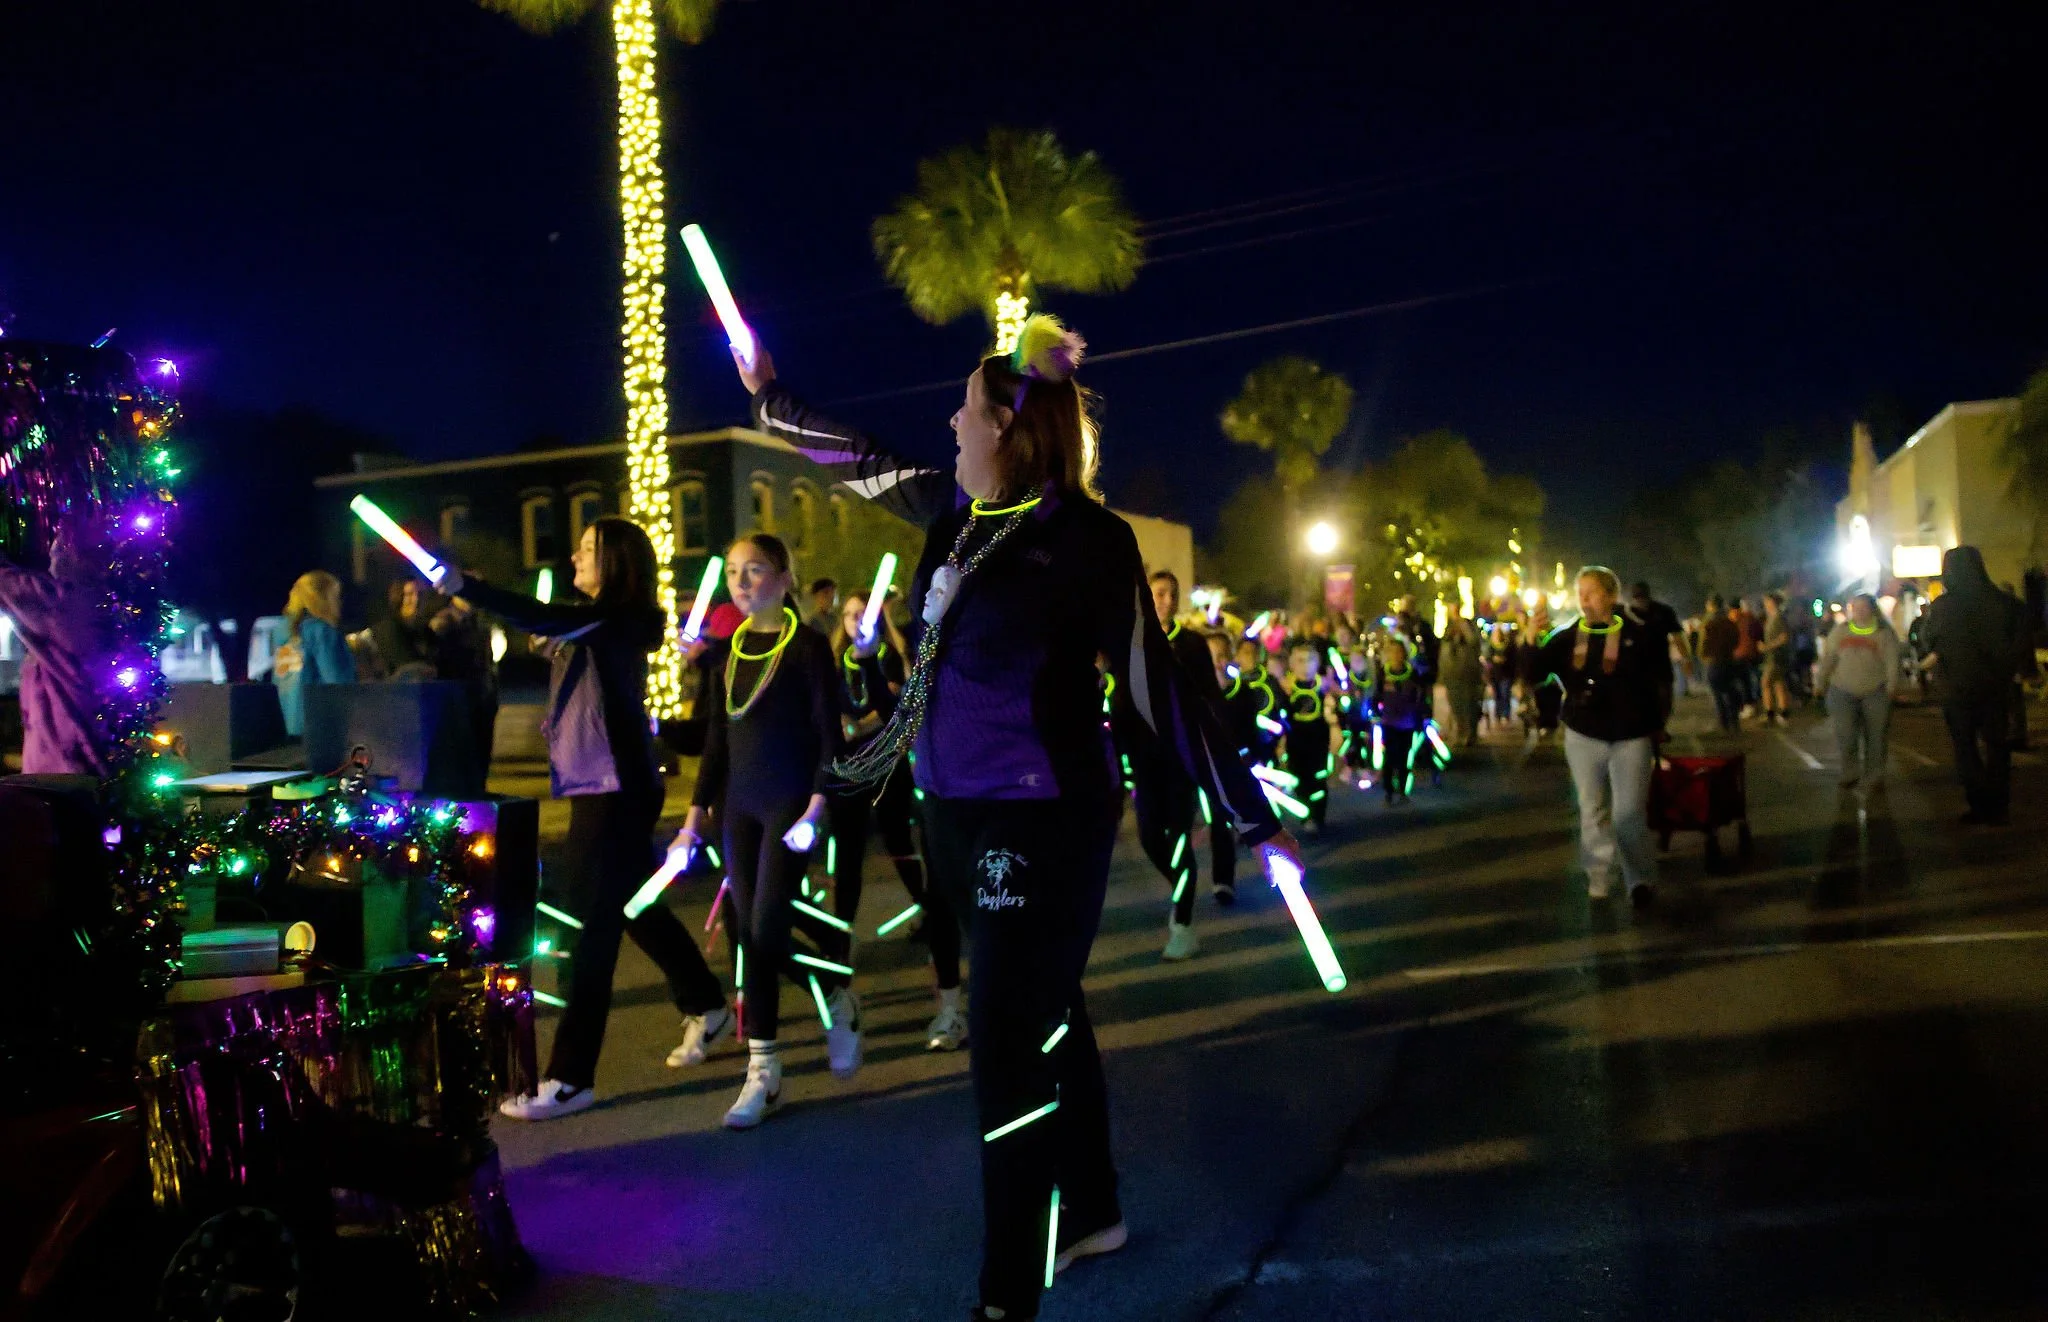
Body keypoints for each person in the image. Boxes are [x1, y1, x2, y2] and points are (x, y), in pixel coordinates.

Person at [742, 314, 1294, 1322]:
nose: (949, 418)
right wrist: (771, 397)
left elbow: (1156, 686)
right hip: (951, 811)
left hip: (1041, 821)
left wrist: (1253, 820)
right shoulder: (953, 513)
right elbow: (856, 459)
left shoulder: (1087, 540)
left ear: (1007, 423)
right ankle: (1094, 1207)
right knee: (1048, 1004)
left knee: (1003, 1037)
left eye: (966, 403)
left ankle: (1006, 1291)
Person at [449, 520, 731, 1120]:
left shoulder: (621, 618)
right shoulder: (596, 622)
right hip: (597, 785)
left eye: (586, 548)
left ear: (615, 561)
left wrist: (471, 589)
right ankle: (706, 1002)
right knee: (629, 903)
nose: (574, 553)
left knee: (589, 928)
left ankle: (572, 1076)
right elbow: (555, 632)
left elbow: (546, 619)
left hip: (617, 788)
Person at [673, 534, 855, 1127]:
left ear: (784, 577)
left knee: (767, 931)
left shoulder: (806, 649)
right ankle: (786, 1045)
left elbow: (832, 737)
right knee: (752, 938)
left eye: (755, 571)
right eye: (732, 573)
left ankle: (780, 1052)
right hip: (737, 812)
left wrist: (816, 808)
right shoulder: (726, 654)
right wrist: (691, 824)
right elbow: (716, 746)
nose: (742, 582)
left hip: (790, 807)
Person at [828, 587, 967, 1050]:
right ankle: (950, 1007)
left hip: (970, 787)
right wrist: (866, 663)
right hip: (919, 788)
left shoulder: (909, 652)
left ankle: (1013, 999)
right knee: (939, 897)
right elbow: (896, 713)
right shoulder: (899, 656)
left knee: (980, 899)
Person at [1531, 567, 1665, 905]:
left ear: (1610, 595)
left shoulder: (1638, 633)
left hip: (1630, 735)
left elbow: (1658, 681)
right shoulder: (1568, 636)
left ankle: (1640, 879)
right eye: (1580, 593)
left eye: (1590, 592)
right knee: (1592, 809)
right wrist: (1530, 639)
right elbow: (1533, 673)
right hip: (1583, 734)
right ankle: (1599, 878)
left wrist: (1657, 723)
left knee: (1629, 814)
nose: (1583, 599)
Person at [1919, 546, 2030, 825]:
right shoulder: (2006, 604)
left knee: (1965, 747)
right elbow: (2022, 640)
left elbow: (1927, 641)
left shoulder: (1944, 607)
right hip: (1996, 685)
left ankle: (1978, 802)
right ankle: (1998, 803)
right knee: (1997, 746)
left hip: (1958, 686)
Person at [0, 520, 118, 776]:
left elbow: (10, 587)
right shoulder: (105, 607)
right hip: (76, 773)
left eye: (62, 544)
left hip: (64, 779)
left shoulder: (66, 605)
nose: (53, 551)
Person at [1814, 593, 1899, 790]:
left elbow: (1892, 662)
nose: (1859, 611)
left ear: (1872, 609)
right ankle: (1849, 772)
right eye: (1856, 608)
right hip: (1842, 690)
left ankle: (1875, 775)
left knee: (1876, 736)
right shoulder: (1841, 631)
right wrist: (1820, 682)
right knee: (1846, 734)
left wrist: (1892, 685)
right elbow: (1828, 658)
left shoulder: (1883, 633)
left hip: (1875, 691)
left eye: (1864, 607)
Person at [273, 570, 356, 739]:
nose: (339, 603)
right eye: (336, 597)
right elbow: (338, 685)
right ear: (321, 599)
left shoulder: (281, 632)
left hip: (285, 730)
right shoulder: (322, 632)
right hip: (319, 732)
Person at [1366, 635, 1430, 804]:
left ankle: (1402, 790)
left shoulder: (1412, 674)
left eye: (1399, 652)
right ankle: (1388, 791)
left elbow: (1421, 696)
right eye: (1392, 652)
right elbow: (1376, 695)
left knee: (1404, 758)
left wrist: (1422, 715)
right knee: (1389, 758)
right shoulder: (1383, 673)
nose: (1395, 655)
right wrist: (1374, 711)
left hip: (1407, 723)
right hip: (1389, 722)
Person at [1281, 640, 1333, 830]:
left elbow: (1338, 707)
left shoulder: (1324, 686)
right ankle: (1307, 813)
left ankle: (1317, 815)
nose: (1305, 665)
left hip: (1318, 740)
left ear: (1317, 662)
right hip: (1296, 741)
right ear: (1292, 664)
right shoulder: (1286, 687)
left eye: (1310, 660)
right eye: (1300, 660)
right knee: (1299, 779)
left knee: (1318, 778)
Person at [1628, 582, 1683, 722]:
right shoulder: (1663, 611)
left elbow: (1677, 637)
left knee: (1662, 701)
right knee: (1655, 702)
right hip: (1641, 668)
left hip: (1654, 667)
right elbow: (1678, 637)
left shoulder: (1628, 613)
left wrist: (1685, 659)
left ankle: (1657, 728)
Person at [1437, 602, 1483, 747]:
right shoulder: (1448, 628)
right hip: (1451, 673)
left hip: (1467, 672)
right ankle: (1461, 731)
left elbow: (1473, 641)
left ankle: (1470, 733)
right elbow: (1444, 648)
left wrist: (1462, 626)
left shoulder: (1467, 625)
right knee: (1456, 705)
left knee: (1469, 704)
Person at [1699, 594, 1743, 732]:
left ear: (1711, 605)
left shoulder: (1708, 623)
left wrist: (1703, 656)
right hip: (1728, 660)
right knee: (1729, 690)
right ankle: (1734, 720)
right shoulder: (1729, 622)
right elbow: (1736, 640)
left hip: (1714, 662)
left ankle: (1723, 722)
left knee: (1717, 694)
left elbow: (1703, 644)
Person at [1759, 592, 1793, 725]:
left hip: (1776, 656)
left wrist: (1767, 647)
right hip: (1773, 656)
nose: (1765, 605)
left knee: (1765, 683)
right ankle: (1783, 712)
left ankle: (1770, 713)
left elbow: (1784, 637)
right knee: (1779, 683)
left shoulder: (1778, 618)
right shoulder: (1771, 617)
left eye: (1767, 602)